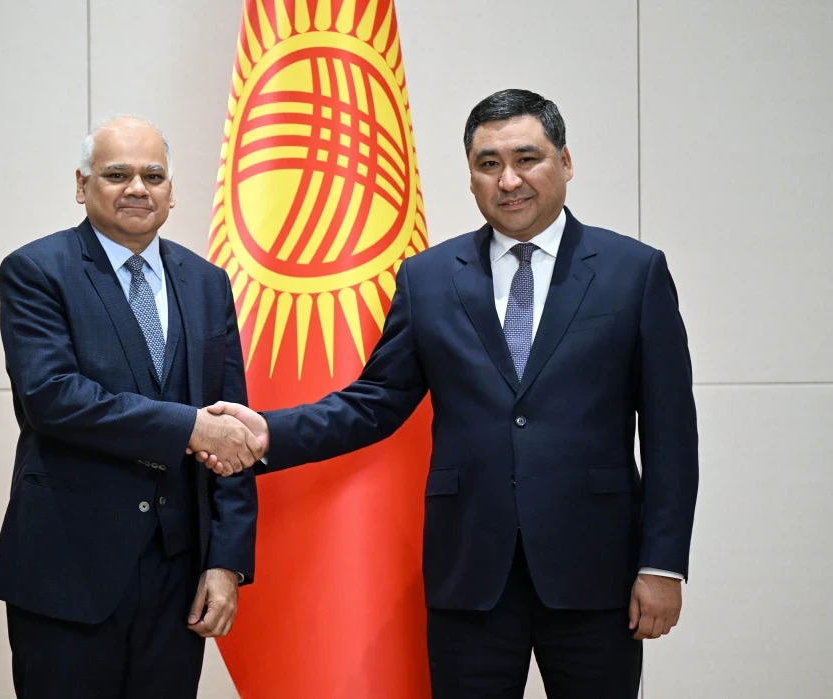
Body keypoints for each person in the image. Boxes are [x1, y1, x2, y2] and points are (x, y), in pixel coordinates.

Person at [201, 90, 699, 698]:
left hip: (598, 572)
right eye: (489, 164)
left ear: (566, 162)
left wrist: (662, 564)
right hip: (471, 574)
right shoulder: (429, 278)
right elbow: (376, 402)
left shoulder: (633, 272)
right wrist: (268, 432)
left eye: (527, 158)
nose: (509, 180)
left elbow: (671, 435)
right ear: (470, 176)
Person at [0, 116, 261, 699]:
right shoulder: (36, 271)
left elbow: (231, 428)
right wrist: (190, 427)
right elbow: (53, 397)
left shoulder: (208, 282)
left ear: (171, 191)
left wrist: (227, 562)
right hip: (67, 570)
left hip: (178, 576)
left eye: (153, 176)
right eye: (117, 174)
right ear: (82, 185)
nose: (138, 188)